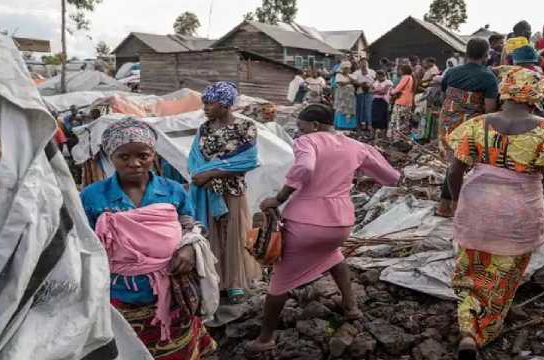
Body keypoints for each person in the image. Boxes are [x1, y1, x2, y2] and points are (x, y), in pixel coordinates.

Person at [445, 66, 544, 359]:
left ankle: (467, 329)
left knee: (470, 272)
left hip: (477, 207)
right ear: (536, 95)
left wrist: (460, 201)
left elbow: (454, 170)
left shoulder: (476, 124)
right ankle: (482, 329)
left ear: (505, 91)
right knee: (502, 276)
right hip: (518, 214)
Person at [245, 104, 401, 353]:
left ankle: (265, 339)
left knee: (280, 280)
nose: (299, 132)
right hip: (341, 224)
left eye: (301, 127)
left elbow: (305, 168)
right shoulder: (356, 145)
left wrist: (279, 198)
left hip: (307, 223)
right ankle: (351, 307)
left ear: (315, 126)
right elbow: (391, 177)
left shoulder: (308, 142)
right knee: (332, 255)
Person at [80, 118, 217, 358]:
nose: (134, 163)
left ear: (153, 154)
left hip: (173, 288)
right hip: (118, 292)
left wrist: (187, 250)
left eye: (143, 155)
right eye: (124, 157)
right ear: (111, 157)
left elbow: (192, 225)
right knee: (127, 349)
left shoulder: (172, 190)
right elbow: (84, 243)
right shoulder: (92, 196)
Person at [189, 81, 261, 304]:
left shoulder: (245, 127)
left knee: (233, 235)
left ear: (225, 104)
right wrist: (200, 174)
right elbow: (194, 157)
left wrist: (210, 173)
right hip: (207, 190)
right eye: (204, 103)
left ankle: (234, 283)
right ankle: (215, 280)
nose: (205, 108)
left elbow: (247, 160)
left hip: (231, 191)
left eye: (209, 103)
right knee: (211, 233)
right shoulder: (205, 128)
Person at [435, 38, 499, 217]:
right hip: (468, 127)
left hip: (447, 124)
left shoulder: (451, 72)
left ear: (466, 53)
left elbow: (444, 96)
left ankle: (444, 205)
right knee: (460, 167)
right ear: (486, 55)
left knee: (453, 165)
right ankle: (456, 206)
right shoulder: (488, 77)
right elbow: (489, 109)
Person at [388, 64, 416, 140]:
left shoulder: (406, 77)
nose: (399, 71)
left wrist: (391, 92)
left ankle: (396, 138)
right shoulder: (411, 77)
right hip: (408, 102)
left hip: (401, 102)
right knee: (404, 122)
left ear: (403, 70)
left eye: (400, 70)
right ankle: (403, 138)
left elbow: (398, 89)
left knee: (397, 120)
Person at [352, 58, 376, 131]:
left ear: (367, 63)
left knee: (369, 109)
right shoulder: (356, 73)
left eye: (365, 62)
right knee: (359, 108)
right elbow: (353, 81)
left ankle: (369, 124)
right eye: (362, 63)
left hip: (370, 92)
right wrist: (361, 84)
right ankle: (358, 124)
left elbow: (376, 80)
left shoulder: (372, 72)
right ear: (359, 64)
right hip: (360, 92)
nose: (364, 64)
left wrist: (369, 85)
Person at [334, 61, 358, 130]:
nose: (346, 70)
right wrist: (349, 81)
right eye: (345, 68)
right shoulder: (338, 75)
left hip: (350, 97)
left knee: (350, 110)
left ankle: (350, 125)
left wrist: (349, 78)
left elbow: (356, 82)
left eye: (348, 68)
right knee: (341, 109)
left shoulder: (352, 75)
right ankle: (340, 124)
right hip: (342, 96)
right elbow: (340, 83)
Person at [371, 70, 393, 137]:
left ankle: (384, 135)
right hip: (375, 101)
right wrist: (378, 91)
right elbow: (370, 90)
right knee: (374, 118)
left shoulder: (388, 82)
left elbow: (384, 92)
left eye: (379, 77)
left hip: (384, 101)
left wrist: (376, 91)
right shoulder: (375, 82)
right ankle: (373, 134)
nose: (378, 78)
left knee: (384, 118)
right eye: (377, 77)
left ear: (383, 76)